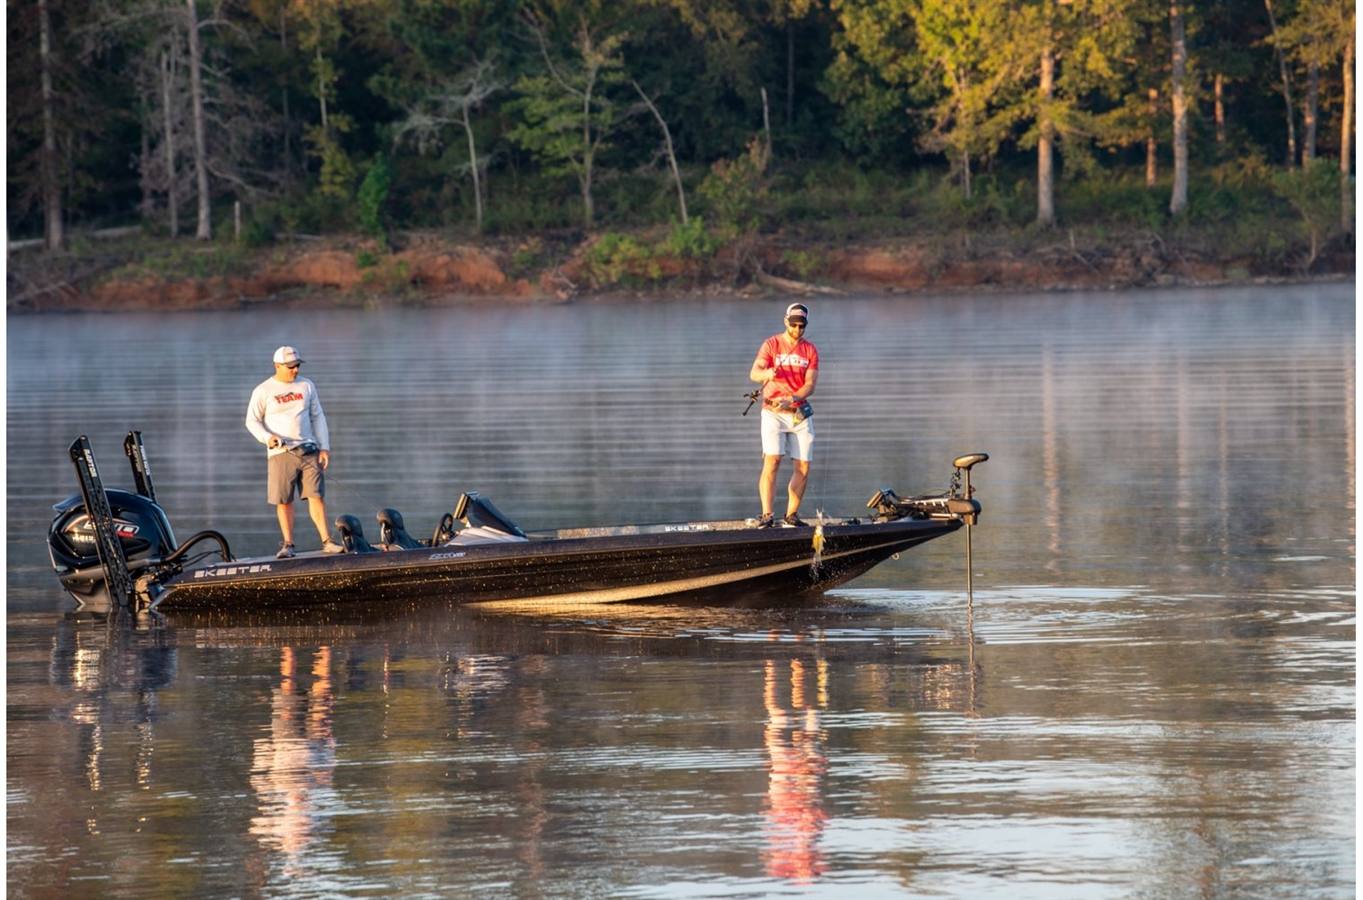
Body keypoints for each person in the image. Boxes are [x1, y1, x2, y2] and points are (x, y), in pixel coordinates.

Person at [245, 346, 342, 558]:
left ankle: (327, 542)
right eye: (290, 367)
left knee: (316, 496)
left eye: (297, 366)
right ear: (277, 366)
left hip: (309, 450)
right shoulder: (263, 390)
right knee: (284, 500)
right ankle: (288, 545)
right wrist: (267, 438)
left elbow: (318, 417)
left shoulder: (307, 386)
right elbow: (252, 421)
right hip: (281, 452)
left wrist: (324, 447)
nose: (295, 370)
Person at [749, 303, 820, 528]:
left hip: (799, 412)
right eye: (794, 324)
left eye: (802, 326)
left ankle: (791, 515)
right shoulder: (771, 345)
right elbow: (754, 373)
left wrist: (793, 397)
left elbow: (810, 384)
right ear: (785, 321)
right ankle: (767, 515)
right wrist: (768, 372)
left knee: (803, 467)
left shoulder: (810, 350)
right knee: (773, 460)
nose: (797, 329)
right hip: (772, 412)